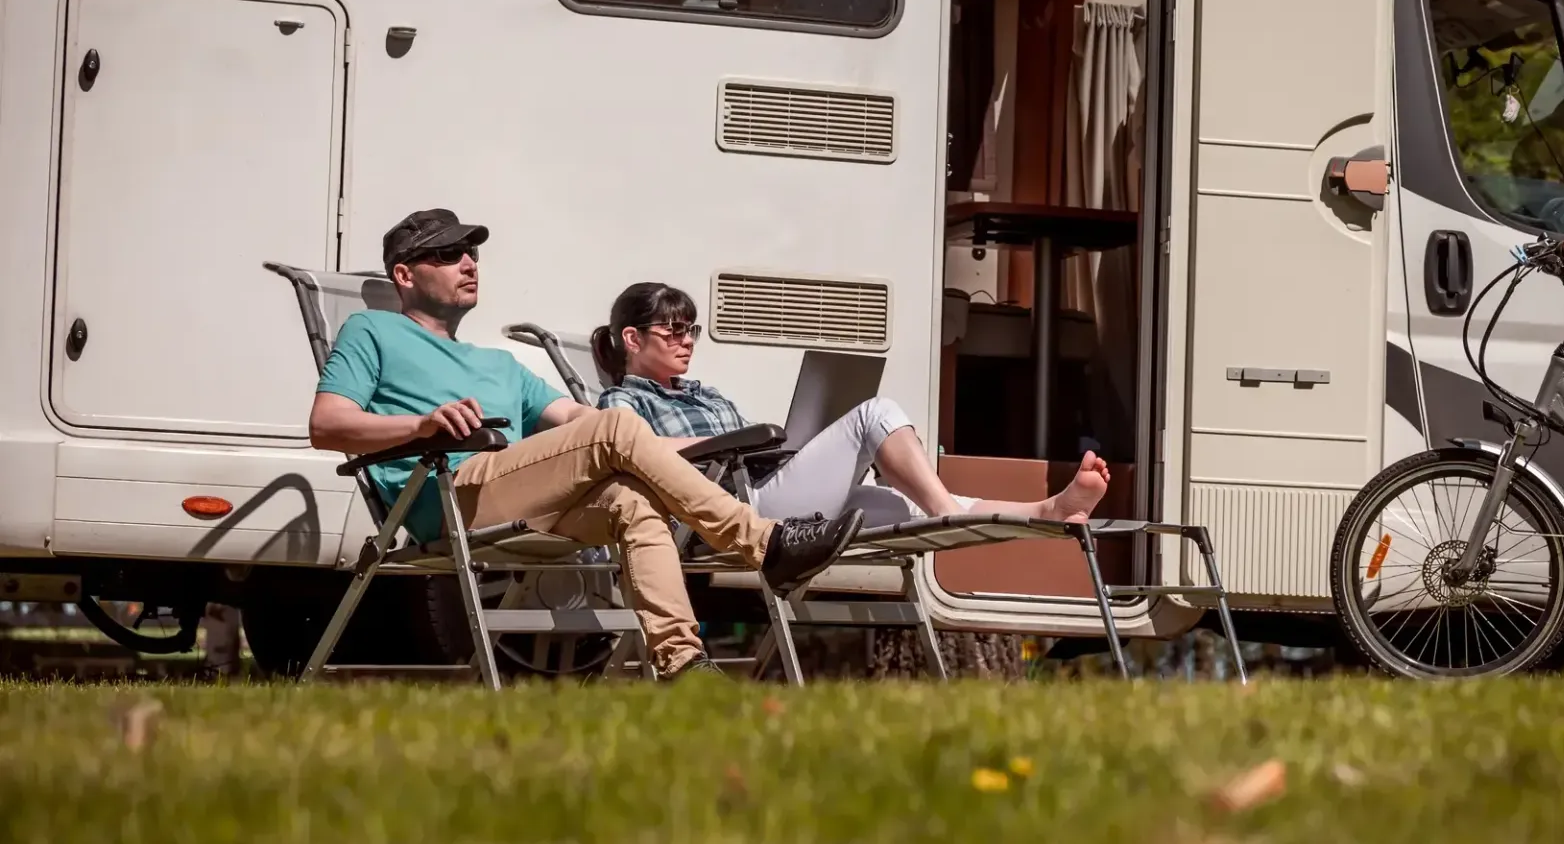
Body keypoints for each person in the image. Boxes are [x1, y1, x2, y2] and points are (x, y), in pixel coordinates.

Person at [307, 210, 863, 679]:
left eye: (471, 252)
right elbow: (327, 424)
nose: (470, 263)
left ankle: (682, 664)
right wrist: (421, 426)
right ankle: (766, 545)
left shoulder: (498, 365)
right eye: (449, 255)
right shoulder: (372, 331)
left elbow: (584, 419)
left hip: (515, 495)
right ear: (404, 274)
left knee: (631, 501)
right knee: (613, 426)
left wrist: (717, 443)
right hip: (445, 492)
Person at [590, 283, 1111, 527]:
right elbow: (641, 452)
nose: (688, 340)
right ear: (633, 339)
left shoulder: (705, 392)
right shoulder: (621, 401)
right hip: (734, 511)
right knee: (875, 413)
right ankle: (949, 513)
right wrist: (731, 444)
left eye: (692, 329)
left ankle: (1046, 511)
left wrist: (780, 442)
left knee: (914, 504)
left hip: (766, 485)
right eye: (675, 330)